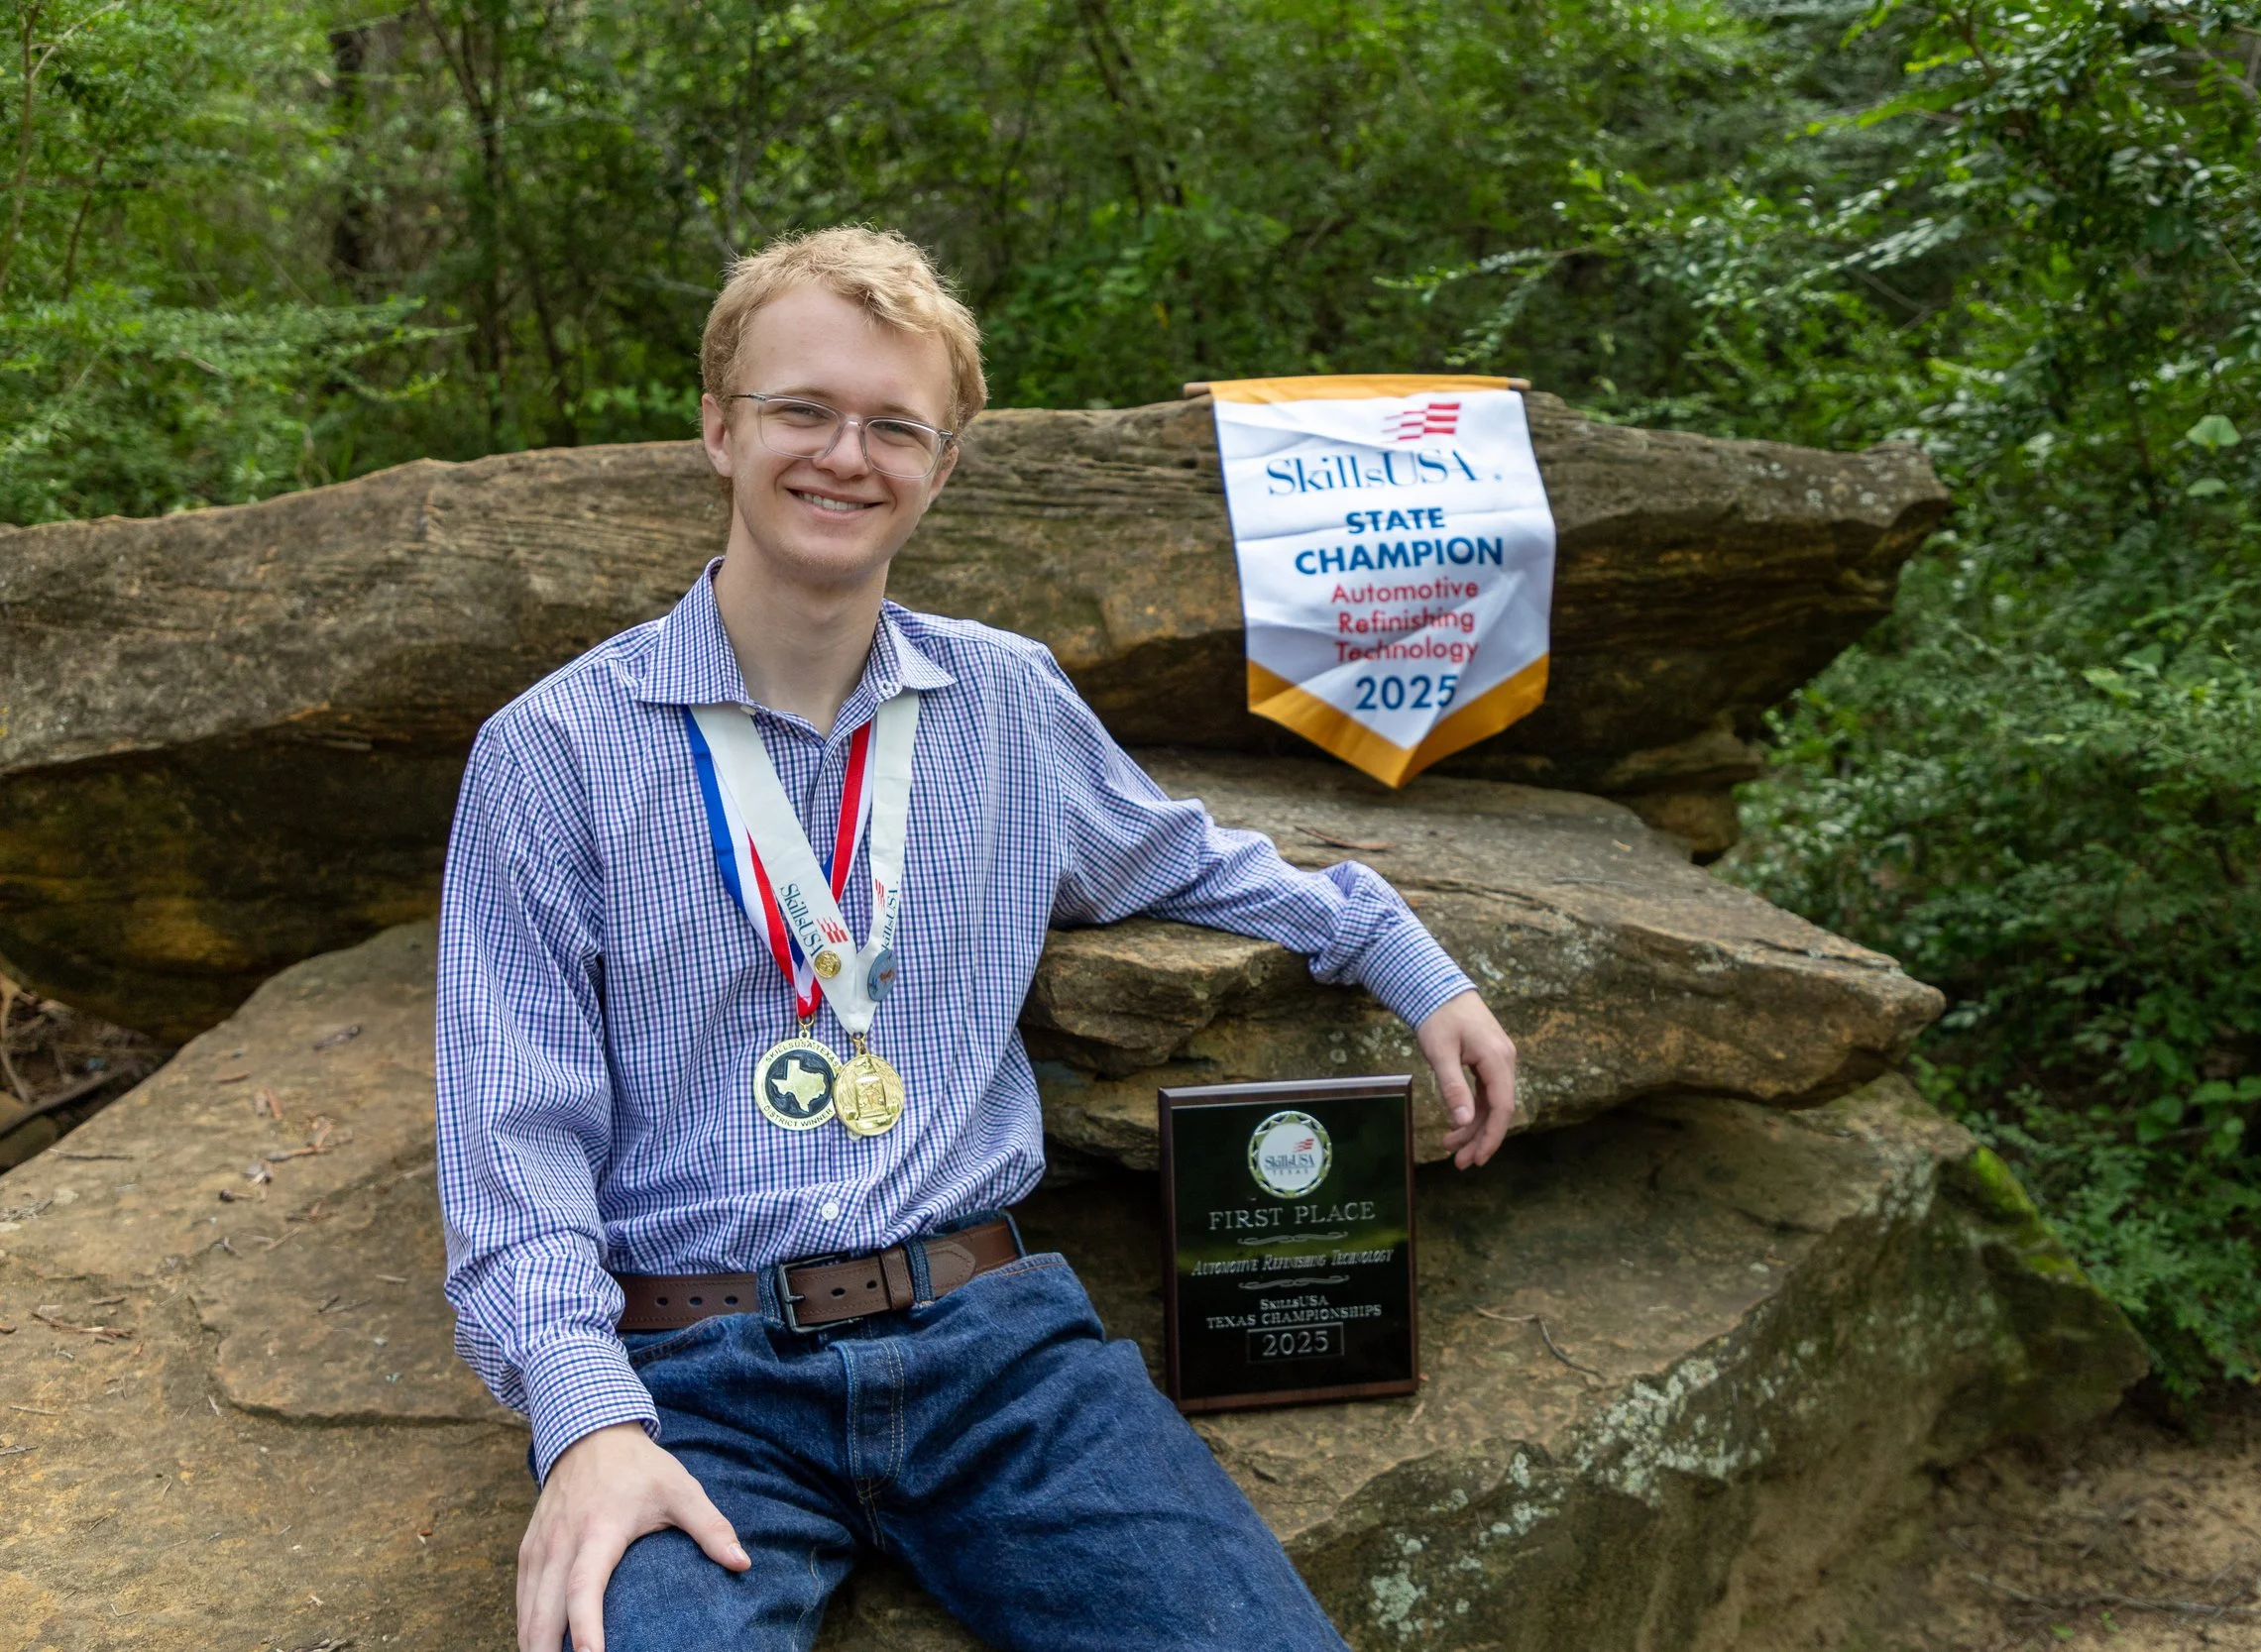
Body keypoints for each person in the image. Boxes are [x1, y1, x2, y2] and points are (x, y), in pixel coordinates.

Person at [435, 224, 1520, 1652]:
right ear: (717, 426)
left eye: (897, 425)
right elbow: (516, 1145)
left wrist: (1394, 947)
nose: (846, 454)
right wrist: (586, 1421)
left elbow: (1182, 852)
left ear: (943, 467)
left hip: (999, 1356)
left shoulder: (1007, 702)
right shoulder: (552, 753)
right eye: (802, 409)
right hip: (692, 1379)